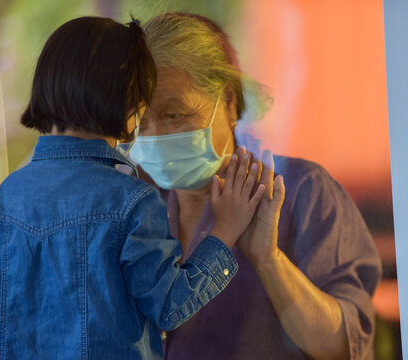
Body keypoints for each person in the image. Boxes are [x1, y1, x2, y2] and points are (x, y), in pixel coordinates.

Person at [0, 16, 271, 359]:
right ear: (129, 101)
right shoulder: (130, 201)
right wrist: (226, 230)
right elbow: (169, 306)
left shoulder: (7, 196)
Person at [129, 12, 382, 360]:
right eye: (141, 122)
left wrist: (269, 260)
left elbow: (341, 348)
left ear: (229, 104)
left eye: (174, 115)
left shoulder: (300, 191)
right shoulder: (133, 203)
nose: (155, 138)